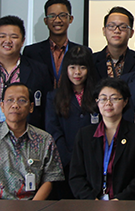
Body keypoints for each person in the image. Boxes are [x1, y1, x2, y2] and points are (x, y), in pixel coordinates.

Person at [0, 82, 64, 200]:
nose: (15, 105)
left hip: (32, 205)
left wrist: (34, 207)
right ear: (2, 106)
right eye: (10, 100)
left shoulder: (45, 140)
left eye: (22, 100)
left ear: (31, 107)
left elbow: (50, 179)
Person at [68, 78, 135, 200]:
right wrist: (91, 199)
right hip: (91, 203)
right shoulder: (84, 135)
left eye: (114, 98)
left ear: (125, 101)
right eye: (103, 99)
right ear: (97, 102)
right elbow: (76, 176)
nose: (108, 103)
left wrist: (120, 199)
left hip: (124, 202)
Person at [0, 16, 53, 137]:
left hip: (27, 141)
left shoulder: (39, 70)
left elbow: (47, 110)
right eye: (2, 36)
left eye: (14, 37)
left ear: (23, 40)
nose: (8, 41)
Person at [45, 45, 99, 199]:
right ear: (66, 69)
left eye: (82, 67)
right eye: (72, 67)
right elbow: (53, 130)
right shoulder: (54, 96)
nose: (77, 72)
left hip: (93, 160)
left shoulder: (99, 95)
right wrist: (68, 157)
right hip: (65, 162)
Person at [23, 0, 83, 87]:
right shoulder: (31, 52)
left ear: (70, 19)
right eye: (52, 16)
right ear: (46, 21)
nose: (57, 20)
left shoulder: (82, 51)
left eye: (62, 15)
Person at [93, 6, 135, 80]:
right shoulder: (91, 61)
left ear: (131, 33)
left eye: (123, 27)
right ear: (104, 31)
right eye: (111, 26)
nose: (117, 31)